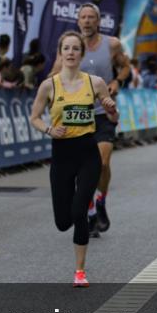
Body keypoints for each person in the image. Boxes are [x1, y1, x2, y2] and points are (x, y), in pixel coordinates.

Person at [30, 31, 117, 287]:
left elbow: (112, 116)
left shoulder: (95, 83)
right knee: (62, 222)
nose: (70, 53)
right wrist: (48, 129)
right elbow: (34, 117)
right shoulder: (49, 85)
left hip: (87, 153)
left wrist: (111, 109)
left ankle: (80, 271)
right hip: (61, 155)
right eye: (65, 48)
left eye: (75, 49)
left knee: (79, 211)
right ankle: (80, 212)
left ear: (82, 54)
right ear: (60, 53)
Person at [50, 2, 130, 235]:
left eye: (91, 17)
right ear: (77, 21)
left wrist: (117, 81)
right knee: (82, 168)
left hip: (103, 112)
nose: (86, 21)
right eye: (82, 17)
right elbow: (55, 73)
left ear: (98, 21)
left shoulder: (112, 44)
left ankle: (100, 199)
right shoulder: (70, 46)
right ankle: (91, 207)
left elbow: (125, 67)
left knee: (103, 163)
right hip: (77, 115)